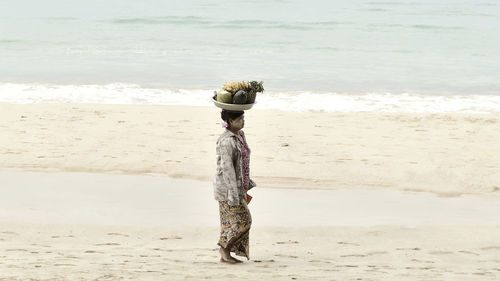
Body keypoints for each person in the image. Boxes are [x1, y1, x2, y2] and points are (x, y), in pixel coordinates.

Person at [214, 109, 256, 263]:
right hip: (227, 189)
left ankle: (225, 255)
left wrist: (246, 185)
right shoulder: (226, 141)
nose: (243, 121)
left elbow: (242, 162)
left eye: (243, 118)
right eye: (240, 119)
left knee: (228, 223)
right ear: (231, 122)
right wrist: (234, 195)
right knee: (244, 221)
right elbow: (227, 169)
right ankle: (223, 248)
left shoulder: (240, 136)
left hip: (239, 187)